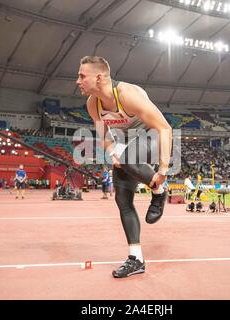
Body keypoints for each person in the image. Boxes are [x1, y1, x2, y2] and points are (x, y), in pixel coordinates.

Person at [77, 56, 172, 278]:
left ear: (99, 77)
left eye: (82, 76)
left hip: (151, 135)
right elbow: (103, 135)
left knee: (129, 157)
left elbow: (165, 129)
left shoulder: (128, 94)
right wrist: (112, 153)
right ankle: (136, 259)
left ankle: (159, 191)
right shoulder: (93, 103)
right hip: (125, 143)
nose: (77, 80)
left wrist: (163, 171)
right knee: (122, 199)